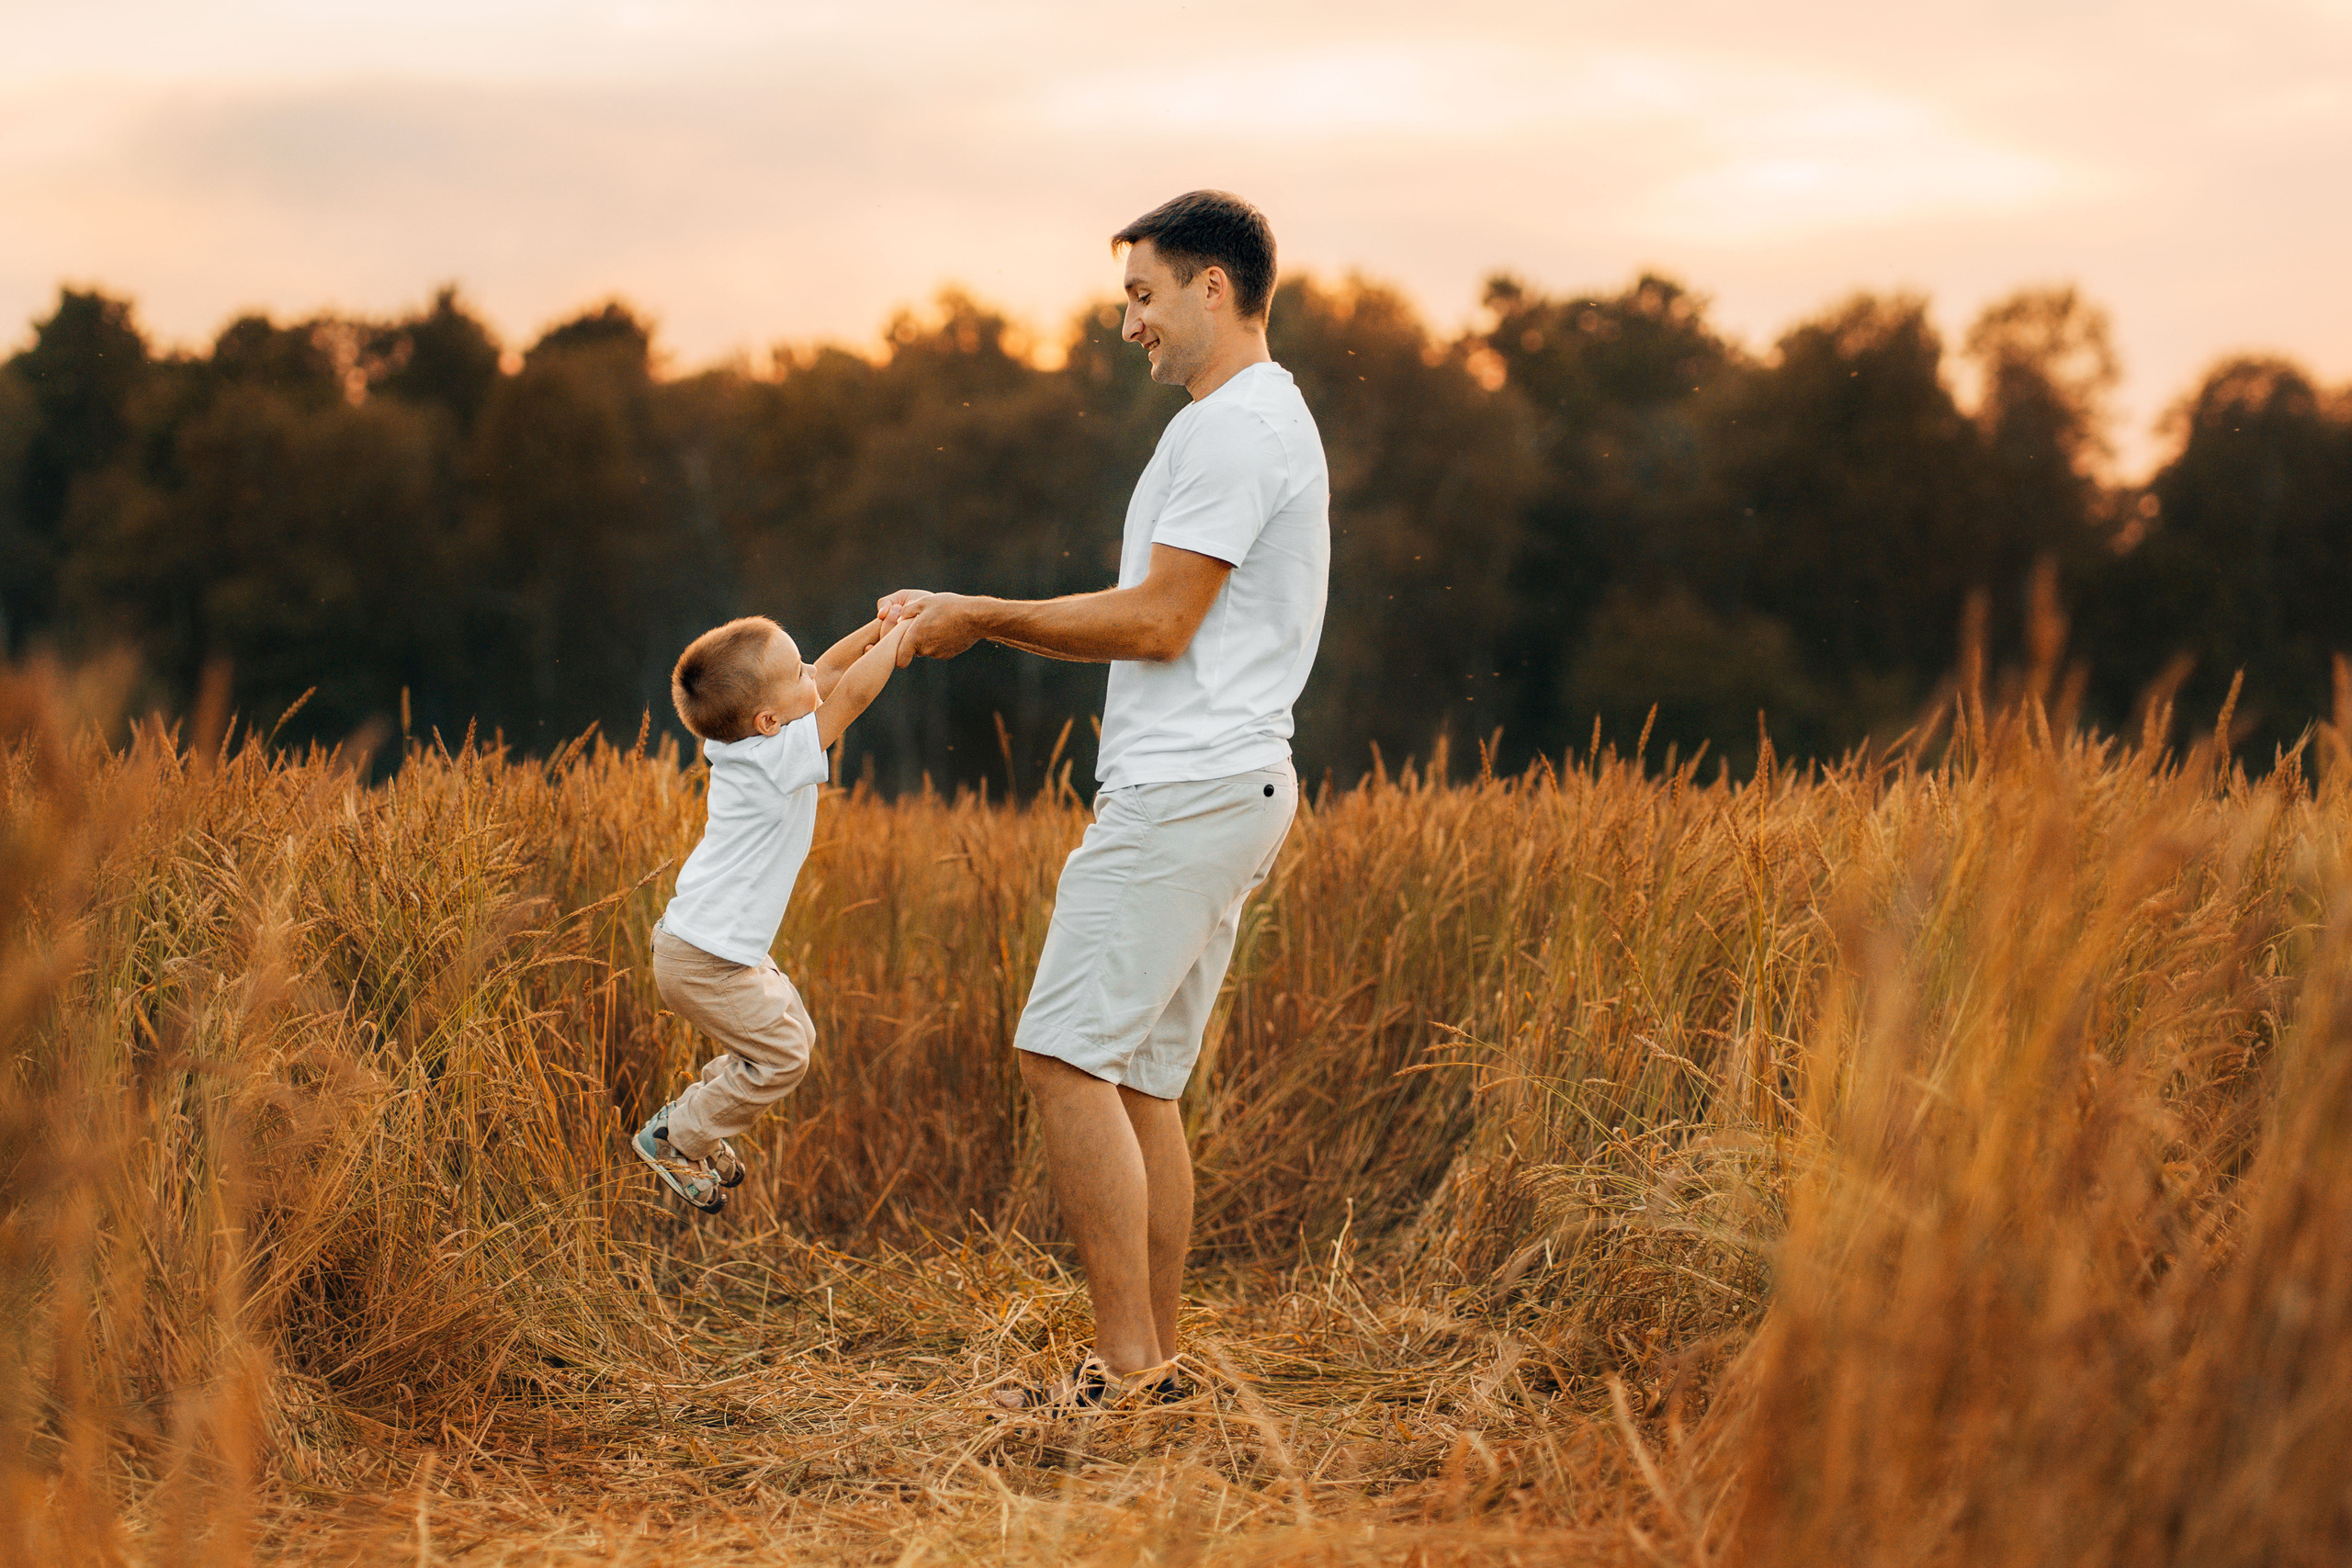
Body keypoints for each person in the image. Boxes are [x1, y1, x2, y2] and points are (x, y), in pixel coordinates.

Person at [880, 189, 1329, 1409]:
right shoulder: (1245, 420)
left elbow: (1161, 619)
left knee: (1062, 1055)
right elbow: (1170, 609)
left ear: (1213, 288)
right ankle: (1154, 1367)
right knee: (1137, 1081)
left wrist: (982, 617)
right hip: (1222, 782)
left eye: (1143, 296)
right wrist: (968, 612)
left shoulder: (1236, 429)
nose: (1128, 323)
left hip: (1186, 788)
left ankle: (1126, 1372)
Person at [631, 613, 909, 1213]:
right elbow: (852, 694)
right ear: (768, 721)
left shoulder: (753, 742)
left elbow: (829, 673)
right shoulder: (773, 759)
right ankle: (677, 1138)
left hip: (712, 950)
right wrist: (902, 640)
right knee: (785, 1056)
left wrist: (880, 626)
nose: (813, 674)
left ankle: (694, 1121)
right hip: (706, 960)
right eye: (798, 673)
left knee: (793, 1036)